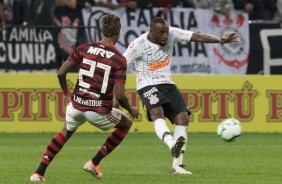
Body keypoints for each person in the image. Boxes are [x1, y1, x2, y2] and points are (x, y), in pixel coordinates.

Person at [30, 14, 139, 181]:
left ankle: (39, 172)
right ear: (118, 32)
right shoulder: (119, 59)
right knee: (127, 124)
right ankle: (94, 162)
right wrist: (131, 109)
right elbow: (120, 95)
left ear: (101, 30)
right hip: (98, 111)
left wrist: (67, 93)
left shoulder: (83, 48)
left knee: (65, 132)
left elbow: (61, 73)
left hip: (76, 105)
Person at [123, 17, 238, 174]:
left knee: (183, 118)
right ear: (151, 32)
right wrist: (117, 93)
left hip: (167, 83)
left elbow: (196, 36)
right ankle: (171, 143)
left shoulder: (173, 34)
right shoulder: (138, 44)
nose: (165, 35)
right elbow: (121, 64)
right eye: (161, 33)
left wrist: (220, 40)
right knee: (157, 113)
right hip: (147, 84)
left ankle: (177, 166)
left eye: (166, 32)